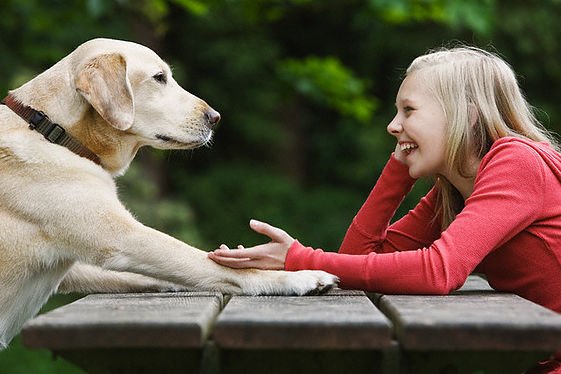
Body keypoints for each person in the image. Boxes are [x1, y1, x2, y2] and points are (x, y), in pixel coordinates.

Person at [208, 46, 561, 372]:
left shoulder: (517, 161)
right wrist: (397, 171)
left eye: (409, 110)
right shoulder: (452, 192)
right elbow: (357, 258)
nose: (393, 125)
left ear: (465, 115)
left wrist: (298, 259)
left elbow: (438, 271)